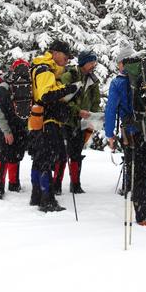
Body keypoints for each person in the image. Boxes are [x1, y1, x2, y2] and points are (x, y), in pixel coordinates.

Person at [105, 45, 146, 226]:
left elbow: (111, 111)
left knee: (138, 176)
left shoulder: (118, 82)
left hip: (133, 134)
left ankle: (143, 219)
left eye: (118, 63)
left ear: (123, 63)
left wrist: (110, 135)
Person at [29, 40, 79, 212]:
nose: (66, 61)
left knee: (40, 159)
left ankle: (37, 196)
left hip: (41, 120)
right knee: (47, 160)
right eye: (66, 57)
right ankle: (47, 199)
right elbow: (45, 96)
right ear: (56, 53)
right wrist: (67, 90)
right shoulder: (45, 70)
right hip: (46, 122)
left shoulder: (49, 71)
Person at [55, 49, 101, 194]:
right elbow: (62, 98)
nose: (94, 65)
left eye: (94, 62)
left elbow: (96, 101)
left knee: (76, 153)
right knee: (61, 155)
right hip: (66, 120)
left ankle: (75, 184)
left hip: (83, 122)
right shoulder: (69, 76)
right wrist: (77, 111)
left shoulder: (93, 80)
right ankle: (56, 184)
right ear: (83, 62)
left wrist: (93, 117)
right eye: (91, 62)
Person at [0, 60, 29, 200]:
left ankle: (14, 184)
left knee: (16, 155)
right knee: (4, 156)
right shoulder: (4, 87)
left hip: (19, 127)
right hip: (5, 127)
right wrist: (6, 132)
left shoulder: (25, 87)